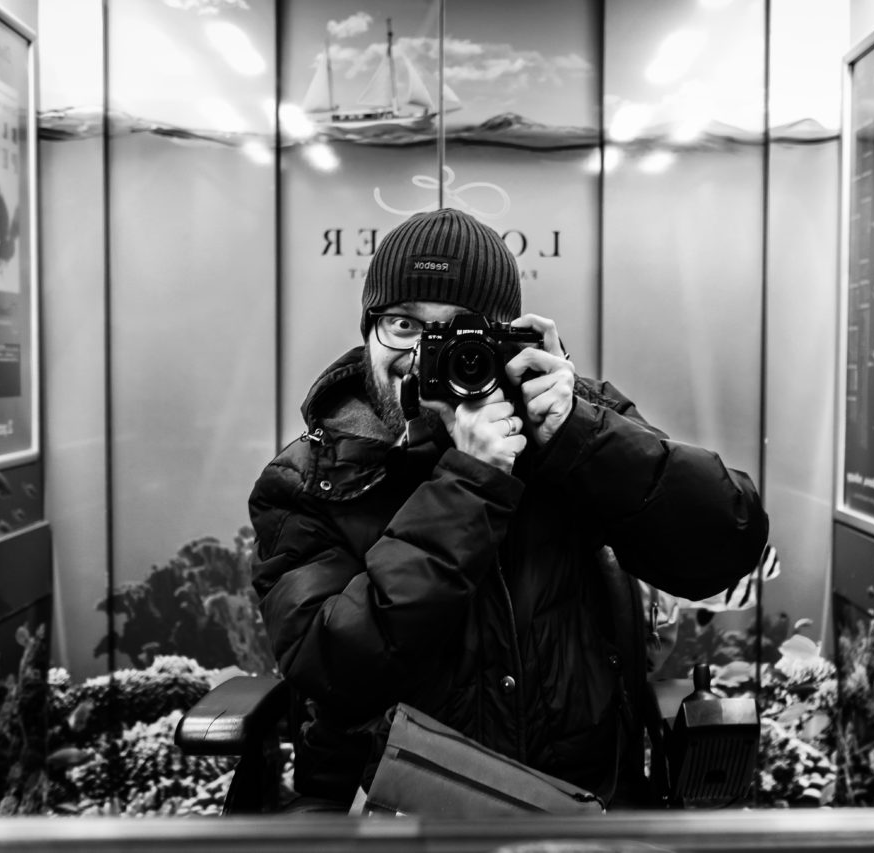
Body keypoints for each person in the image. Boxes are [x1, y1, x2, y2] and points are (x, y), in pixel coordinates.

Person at [249, 207, 770, 812]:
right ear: (369, 331)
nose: (423, 354)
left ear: (503, 340)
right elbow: (335, 667)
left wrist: (580, 437)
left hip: (579, 811)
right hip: (392, 815)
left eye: (459, 332)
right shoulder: (310, 480)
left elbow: (726, 541)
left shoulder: (567, 423)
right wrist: (469, 482)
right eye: (403, 323)